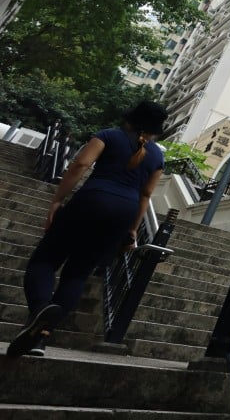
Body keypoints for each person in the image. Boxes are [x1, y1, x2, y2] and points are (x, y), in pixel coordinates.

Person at [6, 101, 167, 358]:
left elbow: (80, 164)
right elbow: (146, 195)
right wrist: (133, 230)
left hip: (93, 200)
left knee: (45, 261)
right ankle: (41, 337)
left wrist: (57, 200)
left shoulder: (109, 135)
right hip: (124, 213)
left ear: (130, 118)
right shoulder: (158, 156)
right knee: (77, 275)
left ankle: (39, 309)